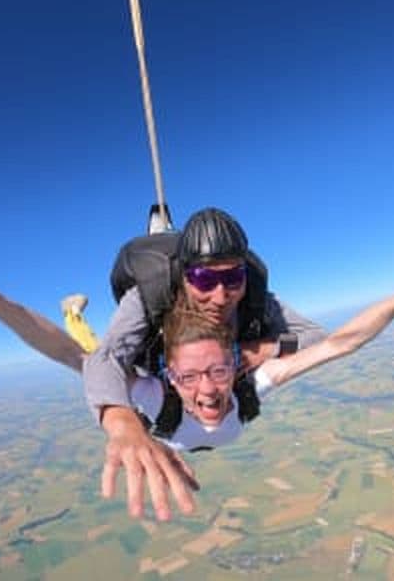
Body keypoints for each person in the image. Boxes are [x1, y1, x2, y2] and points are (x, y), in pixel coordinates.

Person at [83, 207, 329, 520]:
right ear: (184, 275)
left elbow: (318, 338)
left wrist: (263, 349)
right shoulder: (149, 295)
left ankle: (170, 237)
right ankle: (160, 236)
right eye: (204, 279)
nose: (220, 296)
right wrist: (122, 423)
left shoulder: (254, 297)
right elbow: (106, 358)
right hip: (158, 358)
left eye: (233, 278)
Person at [126, 254, 394, 452]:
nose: (207, 390)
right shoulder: (153, 396)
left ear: (236, 365)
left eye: (218, 371)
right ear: (170, 377)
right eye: (188, 376)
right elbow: (97, 365)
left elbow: (341, 343)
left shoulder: (249, 388)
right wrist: (121, 424)